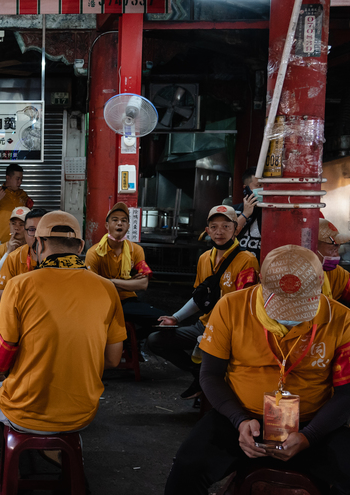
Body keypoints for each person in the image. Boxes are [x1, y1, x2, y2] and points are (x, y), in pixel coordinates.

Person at [162, 245, 350, 495]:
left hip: (315, 423)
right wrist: (239, 421)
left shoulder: (342, 319)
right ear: (261, 279)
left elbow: (346, 393)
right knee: (187, 468)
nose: (290, 316)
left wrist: (309, 436)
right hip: (241, 417)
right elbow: (210, 374)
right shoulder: (231, 307)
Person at [0, 211, 126, 495]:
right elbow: (112, 360)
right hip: (83, 411)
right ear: (81, 247)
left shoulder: (20, 286)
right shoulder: (107, 289)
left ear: (39, 246)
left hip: (27, 408)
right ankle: (70, 470)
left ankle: (6, 475)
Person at [146, 205, 259, 400]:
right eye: (214, 227)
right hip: (204, 325)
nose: (219, 232)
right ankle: (198, 373)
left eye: (225, 226)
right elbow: (200, 299)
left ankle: (207, 380)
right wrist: (175, 317)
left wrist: (216, 334)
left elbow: (245, 304)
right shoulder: (204, 258)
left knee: (211, 354)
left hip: (230, 330)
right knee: (155, 340)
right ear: (207, 231)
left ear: (236, 228)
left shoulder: (246, 260)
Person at [85, 202, 164, 337]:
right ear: (106, 225)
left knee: (165, 321)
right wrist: (129, 282)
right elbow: (92, 288)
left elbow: (143, 284)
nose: (119, 224)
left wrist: (109, 282)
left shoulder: (136, 250)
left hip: (127, 301)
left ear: (128, 226)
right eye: (114, 220)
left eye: (124, 221)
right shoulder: (94, 253)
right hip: (103, 302)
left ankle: (134, 340)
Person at [0, 208, 47, 299]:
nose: (37, 235)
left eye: (41, 229)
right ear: (25, 232)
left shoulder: (59, 258)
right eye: (32, 230)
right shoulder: (14, 257)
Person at [0, 164, 34, 244]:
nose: (20, 182)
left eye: (21, 179)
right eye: (17, 179)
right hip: (0, 241)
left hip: (19, 241)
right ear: (8, 178)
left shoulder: (23, 195)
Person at [0, 207, 28, 282]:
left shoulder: (34, 248)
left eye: (21, 224)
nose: (16, 228)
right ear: (9, 225)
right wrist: (8, 252)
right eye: (13, 224)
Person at [317, 218, 350, 305]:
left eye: (337, 250)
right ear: (313, 247)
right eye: (333, 249)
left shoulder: (335, 273)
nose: (337, 256)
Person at [234, 168, 262, 260]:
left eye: (266, 185)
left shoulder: (271, 212)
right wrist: (245, 214)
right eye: (259, 185)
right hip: (239, 264)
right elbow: (228, 235)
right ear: (245, 188)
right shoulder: (234, 211)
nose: (263, 189)